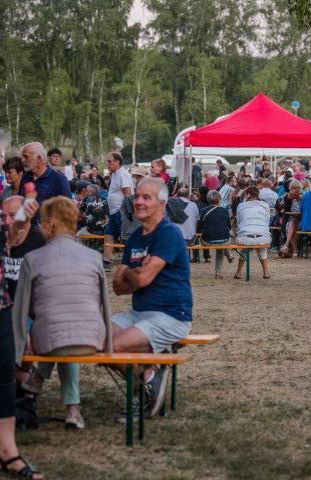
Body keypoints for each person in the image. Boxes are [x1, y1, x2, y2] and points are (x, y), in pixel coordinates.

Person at [13, 197, 112, 430]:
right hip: (90, 339)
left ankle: (37, 378)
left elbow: (21, 310)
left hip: (49, 340)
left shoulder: (33, 258)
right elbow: (102, 303)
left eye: (41, 222)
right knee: (66, 329)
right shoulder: (94, 257)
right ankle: (73, 410)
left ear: (51, 224)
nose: (38, 227)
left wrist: (21, 343)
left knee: (58, 331)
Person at [112, 178, 192, 417]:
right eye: (137, 196)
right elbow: (118, 286)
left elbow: (142, 280)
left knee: (113, 347)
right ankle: (148, 376)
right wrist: (132, 273)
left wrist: (130, 273)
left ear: (162, 203)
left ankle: (146, 382)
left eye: (146, 197)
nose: (138, 202)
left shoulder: (169, 233)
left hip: (171, 315)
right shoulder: (136, 237)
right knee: (95, 338)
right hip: (138, 314)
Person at [0, 199, 44, 478]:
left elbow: (11, 237)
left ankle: (7, 451)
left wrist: (18, 221)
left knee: (4, 373)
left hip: (1, 303)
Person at [103, 152, 133, 270]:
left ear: (117, 162)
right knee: (108, 234)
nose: (107, 164)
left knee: (125, 237)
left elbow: (127, 194)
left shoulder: (123, 174)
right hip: (113, 212)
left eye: (109, 161)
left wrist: (127, 212)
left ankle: (130, 262)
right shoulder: (115, 173)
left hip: (121, 212)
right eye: (107, 161)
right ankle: (107, 261)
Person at [234, 186, 271, 279]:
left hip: (245, 237)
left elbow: (239, 223)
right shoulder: (265, 206)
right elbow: (267, 222)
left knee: (245, 247)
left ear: (248, 195)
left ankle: (238, 272)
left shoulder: (240, 206)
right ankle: (266, 272)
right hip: (262, 237)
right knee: (262, 247)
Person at [199, 190, 232, 278]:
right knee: (221, 244)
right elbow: (229, 226)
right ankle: (218, 272)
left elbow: (200, 226)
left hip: (207, 240)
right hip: (224, 240)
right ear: (219, 199)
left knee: (220, 243)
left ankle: (228, 256)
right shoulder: (225, 211)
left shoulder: (203, 211)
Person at [279, 180, 302, 257]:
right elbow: (283, 211)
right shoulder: (286, 197)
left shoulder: (303, 197)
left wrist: (299, 199)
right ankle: (294, 250)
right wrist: (289, 199)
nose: (296, 189)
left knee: (293, 223)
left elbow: (304, 209)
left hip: (302, 219)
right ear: (290, 189)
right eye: (294, 188)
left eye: (298, 188)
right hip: (289, 219)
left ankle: (286, 245)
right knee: (292, 223)